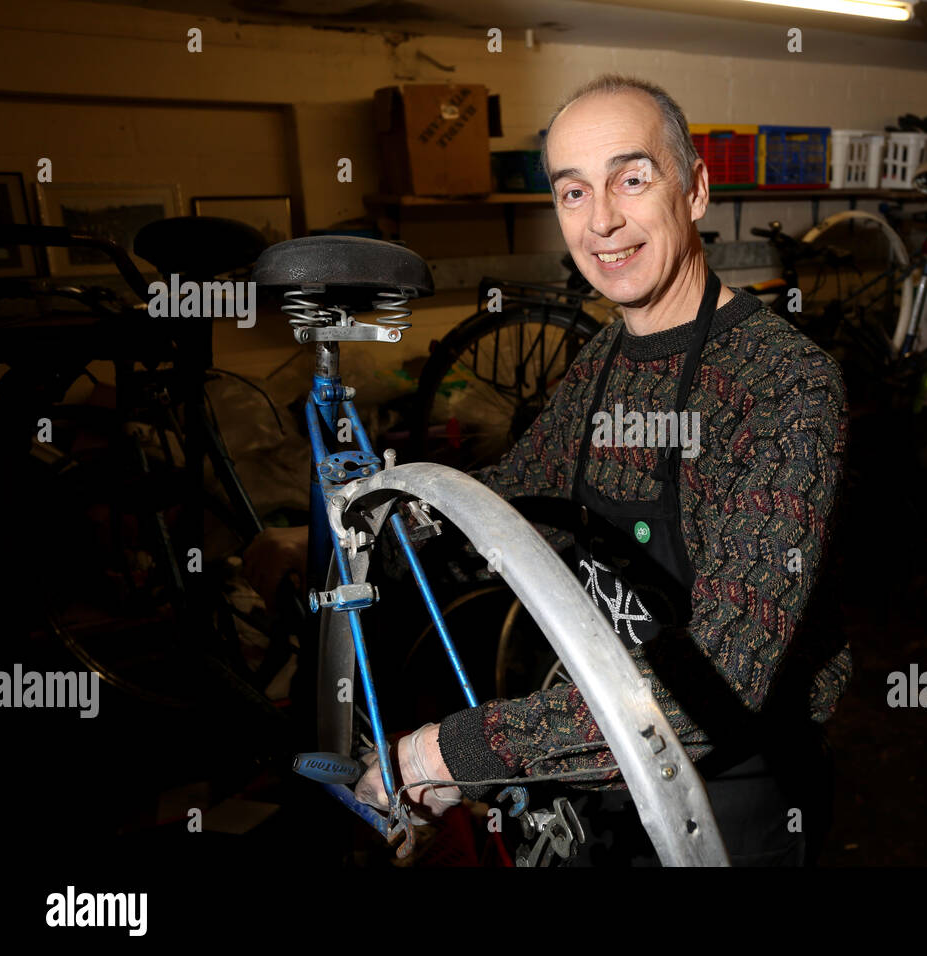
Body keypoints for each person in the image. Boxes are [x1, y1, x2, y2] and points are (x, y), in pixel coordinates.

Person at [252, 73, 852, 865]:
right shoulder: (604, 358)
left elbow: (718, 685)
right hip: (598, 765)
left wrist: (446, 754)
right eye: (574, 192)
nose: (602, 220)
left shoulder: (784, 385)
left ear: (697, 189)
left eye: (631, 179)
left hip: (735, 791)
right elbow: (514, 501)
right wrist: (353, 536)